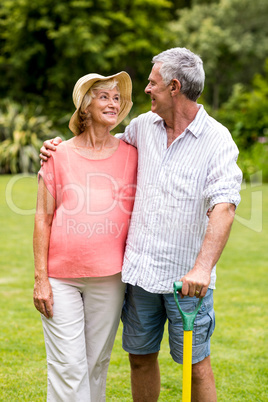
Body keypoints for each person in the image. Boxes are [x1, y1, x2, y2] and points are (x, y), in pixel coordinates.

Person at [40, 47, 242, 401]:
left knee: (196, 365)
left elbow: (224, 206)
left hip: (186, 279)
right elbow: (98, 148)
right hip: (140, 274)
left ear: (175, 87)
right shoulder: (140, 128)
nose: (146, 90)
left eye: (153, 83)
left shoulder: (216, 139)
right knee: (140, 359)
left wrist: (202, 268)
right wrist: (57, 148)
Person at [33, 71, 138, 401]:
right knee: (68, 366)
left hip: (109, 276)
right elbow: (42, 218)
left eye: (117, 97)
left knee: (96, 364)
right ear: (84, 108)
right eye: (103, 96)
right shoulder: (58, 154)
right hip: (60, 278)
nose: (113, 102)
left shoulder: (132, 155)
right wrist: (40, 279)